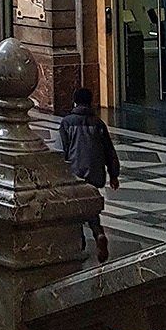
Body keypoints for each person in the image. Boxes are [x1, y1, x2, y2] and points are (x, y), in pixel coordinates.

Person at [58, 86, 121, 265]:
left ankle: (80, 241)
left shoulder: (67, 122)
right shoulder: (98, 123)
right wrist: (114, 175)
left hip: (75, 171)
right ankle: (98, 232)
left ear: (75, 102)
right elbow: (109, 150)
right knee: (91, 205)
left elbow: (63, 150)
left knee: (76, 207)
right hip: (95, 172)